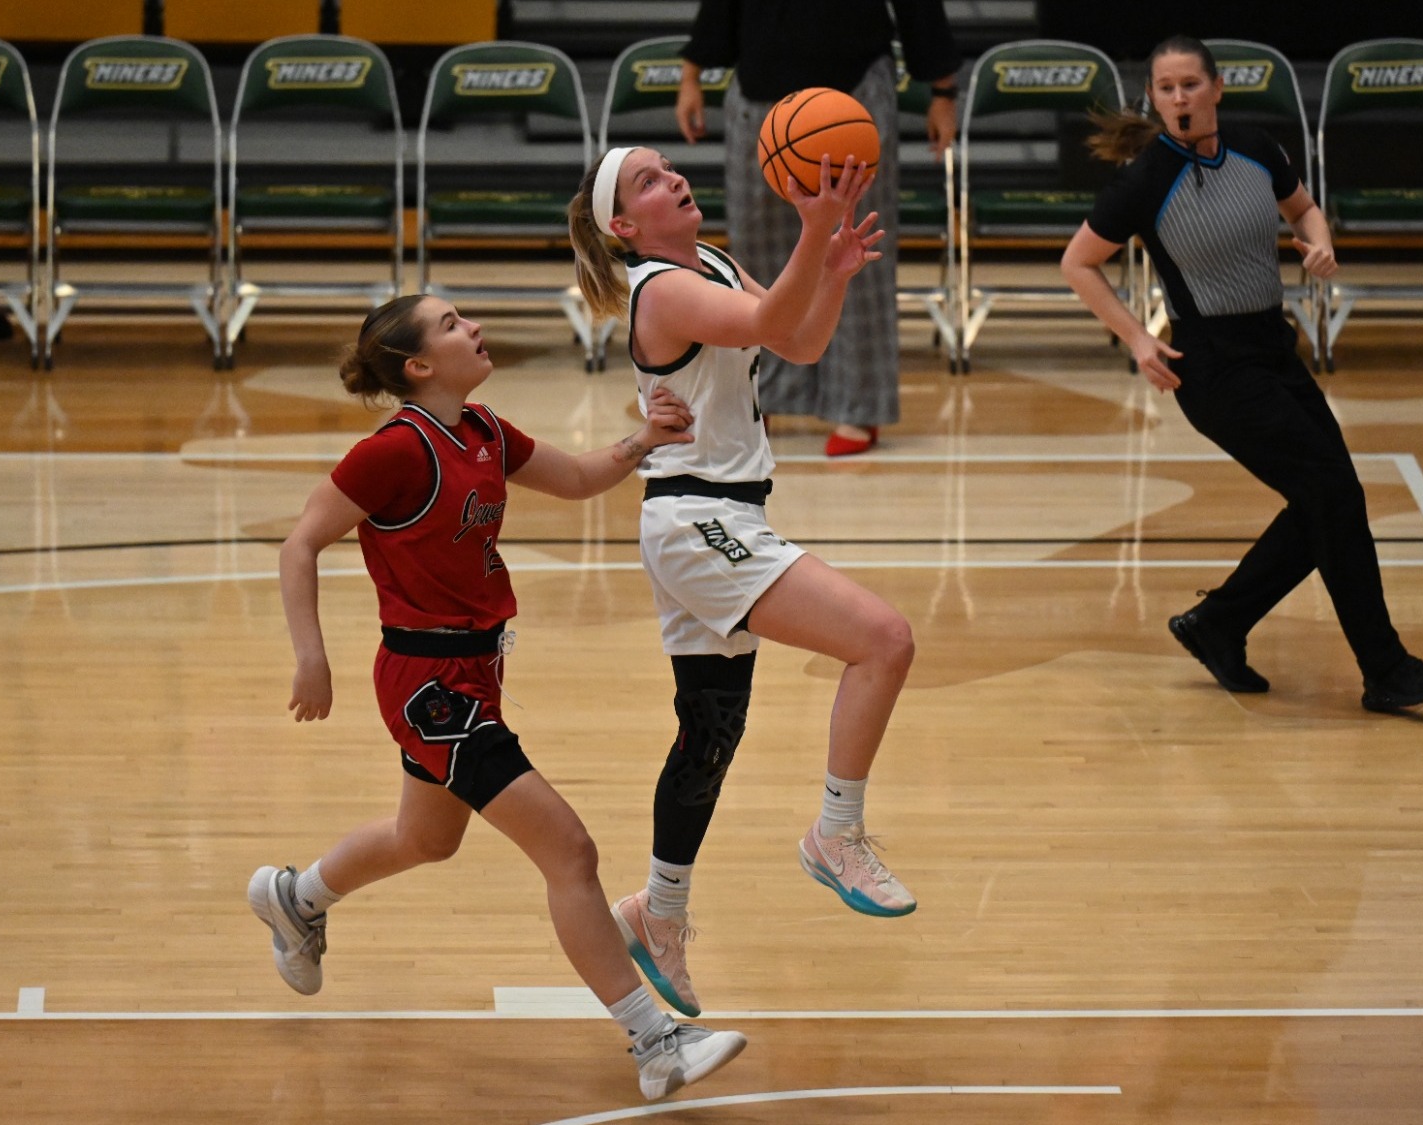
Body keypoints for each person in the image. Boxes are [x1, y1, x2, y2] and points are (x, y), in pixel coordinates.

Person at [250, 294, 746, 1101]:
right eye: (450, 324)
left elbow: (580, 477)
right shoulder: (392, 453)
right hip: (430, 687)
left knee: (425, 838)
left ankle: (295, 897)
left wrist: (643, 440)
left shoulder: (482, 431)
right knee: (569, 850)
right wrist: (312, 656)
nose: (472, 327)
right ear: (417, 366)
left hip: (477, 671)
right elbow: (301, 540)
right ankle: (656, 1043)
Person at [568, 145, 918, 1018]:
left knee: (711, 731)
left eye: (668, 168)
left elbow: (797, 337)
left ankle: (659, 912)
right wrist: (812, 231)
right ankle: (836, 834)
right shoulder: (659, 285)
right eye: (647, 182)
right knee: (883, 639)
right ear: (625, 227)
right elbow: (766, 324)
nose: (673, 179)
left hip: (721, 515)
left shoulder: (715, 262)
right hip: (696, 517)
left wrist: (827, 267)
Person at [1058, 36, 1423, 714]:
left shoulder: (1257, 148)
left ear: (1218, 88)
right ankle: (1384, 666)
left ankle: (1218, 623)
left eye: (1191, 84)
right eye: (1166, 88)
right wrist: (1136, 338)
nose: (1180, 98)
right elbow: (1077, 262)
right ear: (1153, 99)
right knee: (1331, 492)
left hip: (1273, 349)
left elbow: (1302, 208)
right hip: (1211, 367)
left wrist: (1321, 241)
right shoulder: (1147, 177)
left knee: (1330, 499)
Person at [675, 0, 960, 456]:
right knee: (755, 260)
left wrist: (943, 94)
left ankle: (859, 405)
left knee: (854, 250)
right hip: (759, 93)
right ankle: (761, 394)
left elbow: (920, 10)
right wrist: (691, 74)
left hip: (854, 93)